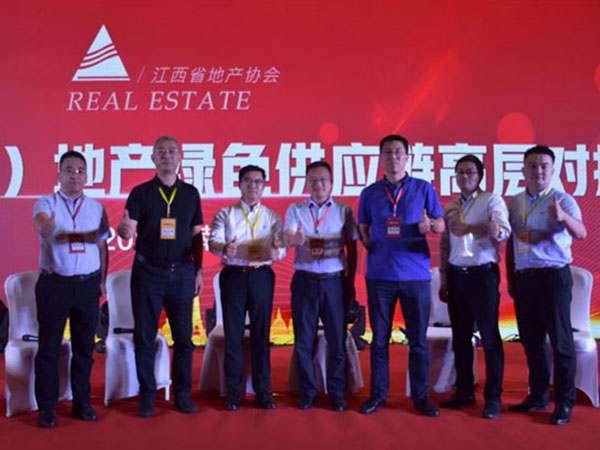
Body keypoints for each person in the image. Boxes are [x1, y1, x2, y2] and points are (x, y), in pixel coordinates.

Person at [357, 134, 444, 416]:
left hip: (415, 276)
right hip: (379, 277)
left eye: (398, 152)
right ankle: (377, 395)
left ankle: (420, 396)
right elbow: (362, 227)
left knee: (417, 341)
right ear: (381, 157)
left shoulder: (423, 188)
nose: (393, 157)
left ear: (407, 157)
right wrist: (371, 245)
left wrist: (430, 225)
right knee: (379, 340)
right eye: (387, 152)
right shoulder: (370, 193)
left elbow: (441, 224)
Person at [117, 136, 204, 418]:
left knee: (184, 339)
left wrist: (199, 270)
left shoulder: (190, 193)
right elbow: (129, 225)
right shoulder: (140, 193)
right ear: (153, 158)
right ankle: (147, 396)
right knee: (144, 337)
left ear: (180, 157)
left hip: (183, 273)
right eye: (161, 152)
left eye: (171, 151)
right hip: (148, 273)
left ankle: (182, 395)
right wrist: (125, 231)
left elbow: (196, 235)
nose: (167, 156)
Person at [506, 145, 586, 425]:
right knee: (532, 342)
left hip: (553, 278)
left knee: (561, 343)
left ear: (552, 170)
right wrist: (511, 278)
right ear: (523, 170)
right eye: (532, 165)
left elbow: (581, 233)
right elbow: (512, 242)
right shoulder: (515, 202)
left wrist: (563, 217)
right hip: (525, 279)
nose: (537, 171)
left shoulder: (563, 200)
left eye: (544, 166)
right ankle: (538, 396)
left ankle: (563, 403)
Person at [33, 151, 109, 428]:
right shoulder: (46, 202)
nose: (75, 175)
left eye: (80, 171)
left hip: (88, 285)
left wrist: (102, 281)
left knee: (84, 348)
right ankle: (47, 408)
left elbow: (103, 247)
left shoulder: (97, 208)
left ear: (87, 176)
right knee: (49, 348)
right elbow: (39, 219)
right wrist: (44, 226)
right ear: (59, 175)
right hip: (55, 284)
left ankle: (82, 403)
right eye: (69, 170)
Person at [438, 154, 510, 419]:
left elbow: (504, 230)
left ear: (480, 176)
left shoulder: (491, 201)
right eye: (460, 172)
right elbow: (445, 245)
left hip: (482, 276)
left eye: (470, 172)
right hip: (457, 276)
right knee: (460, 337)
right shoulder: (450, 207)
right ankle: (464, 390)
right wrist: (444, 279)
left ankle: (493, 397)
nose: (465, 176)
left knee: (489, 338)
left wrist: (493, 230)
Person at [208, 165, 286, 411]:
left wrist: (277, 251)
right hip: (234, 276)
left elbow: (281, 245)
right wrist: (224, 248)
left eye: (258, 181)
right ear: (240, 185)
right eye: (248, 181)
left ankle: (263, 391)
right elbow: (212, 241)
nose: (253, 185)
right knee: (233, 335)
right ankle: (234, 392)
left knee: (262, 334)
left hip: (262, 276)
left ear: (264, 186)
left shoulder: (272, 217)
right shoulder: (225, 214)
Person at [283, 161, 358, 411]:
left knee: (337, 340)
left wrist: (350, 282)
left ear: (331, 183)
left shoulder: (344, 210)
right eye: (313, 180)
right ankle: (308, 392)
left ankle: (337, 392)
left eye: (323, 179)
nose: (319, 184)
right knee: (303, 341)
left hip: (335, 282)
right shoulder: (296, 209)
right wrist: (294, 238)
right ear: (306, 183)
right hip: (305, 281)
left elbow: (352, 248)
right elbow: (287, 235)